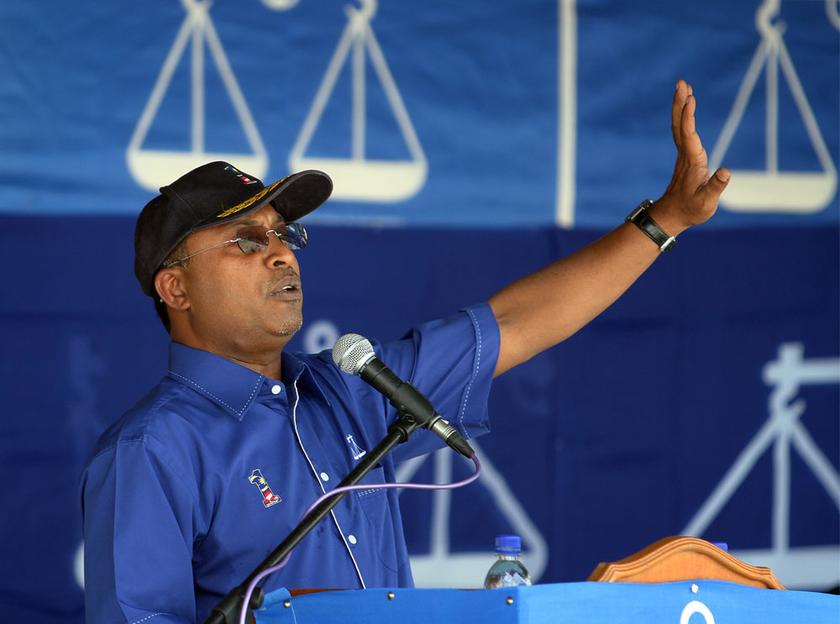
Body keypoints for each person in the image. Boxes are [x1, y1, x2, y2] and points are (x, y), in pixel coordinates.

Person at [81, 80, 729, 623]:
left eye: (284, 234)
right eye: (246, 242)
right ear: (176, 287)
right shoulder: (152, 450)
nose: (281, 253)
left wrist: (664, 220)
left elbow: (513, 321)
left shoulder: (351, 393)